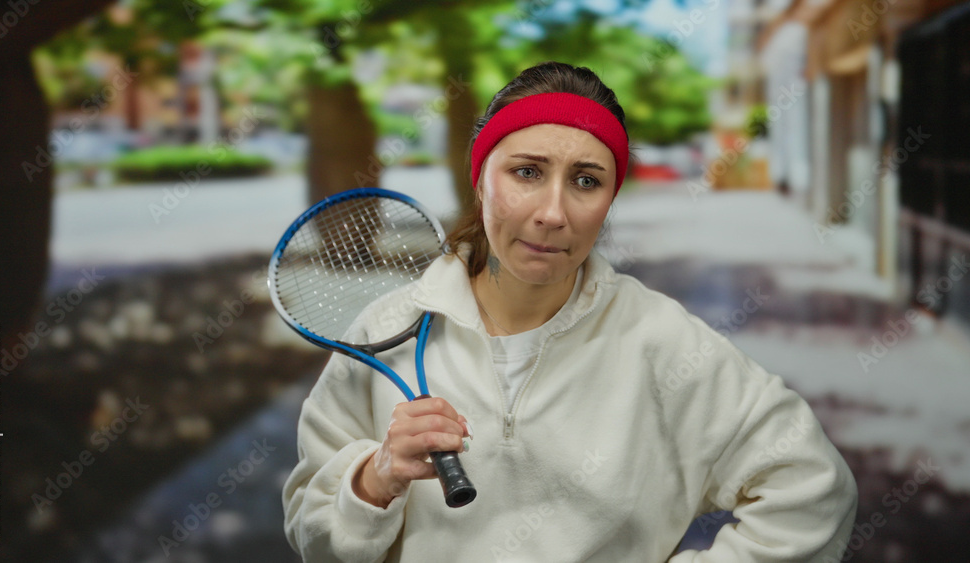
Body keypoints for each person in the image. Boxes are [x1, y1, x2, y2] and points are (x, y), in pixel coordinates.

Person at [283, 61, 857, 562]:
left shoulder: (662, 341)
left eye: (586, 181)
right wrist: (376, 477)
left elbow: (811, 490)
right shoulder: (386, 331)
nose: (553, 212)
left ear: (609, 201)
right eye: (527, 172)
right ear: (481, 180)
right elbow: (314, 540)